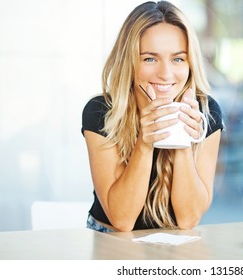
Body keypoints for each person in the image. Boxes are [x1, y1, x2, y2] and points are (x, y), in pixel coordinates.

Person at [81, 1, 223, 232]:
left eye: (178, 59)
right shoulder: (101, 111)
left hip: (175, 243)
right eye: (150, 58)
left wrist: (183, 140)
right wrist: (144, 145)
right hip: (111, 240)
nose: (165, 74)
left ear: (190, 63)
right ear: (130, 61)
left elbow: (188, 219)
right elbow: (122, 221)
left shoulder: (206, 111)